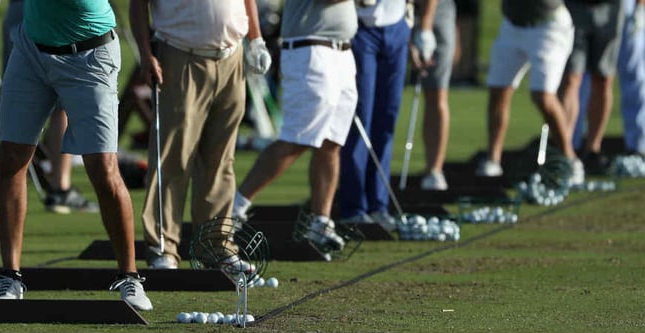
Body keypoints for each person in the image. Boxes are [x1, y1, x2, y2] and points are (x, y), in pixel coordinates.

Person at [0, 0, 152, 311]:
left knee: (103, 169)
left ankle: (130, 276)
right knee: (11, 158)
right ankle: (10, 276)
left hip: (90, 54)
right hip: (31, 51)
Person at [130, 0, 271, 270]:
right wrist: (146, 54)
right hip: (180, 55)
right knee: (172, 157)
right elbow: (138, 5)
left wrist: (256, 41)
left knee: (220, 160)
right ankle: (163, 247)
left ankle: (216, 246)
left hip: (232, 57)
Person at [232, 0, 358, 255]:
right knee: (297, 139)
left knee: (331, 143)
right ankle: (235, 208)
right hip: (310, 51)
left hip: (343, 52)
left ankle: (320, 223)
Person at [338, 0, 437, 227]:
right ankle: (354, 207)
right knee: (360, 120)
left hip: (398, 26)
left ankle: (378, 205)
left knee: (387, 120)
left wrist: (424, 29)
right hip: (360, 26)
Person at [1, 0, 99, 215]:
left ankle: (57, 187)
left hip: (24, 18)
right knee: (60, 108)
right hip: (51, 22)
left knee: (27, 110)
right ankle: (60, 187)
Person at [475, 0, 584, 186]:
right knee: (498, 90)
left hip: (549, 23)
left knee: (543, 96)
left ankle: (570, 159)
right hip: (512, 24)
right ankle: (493, 160)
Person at [574, 0, 645, 157]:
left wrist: (641, 5)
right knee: (578, 78)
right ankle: (571, 144)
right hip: (586, 7)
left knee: (632, 73)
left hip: (627, 6)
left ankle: (638, 142)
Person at [558, 0, 624, 175]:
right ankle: (564, 151)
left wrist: (640, 7)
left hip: (609, 8)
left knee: (603, 78)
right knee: (571, 79)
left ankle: (593, 150)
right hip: (574, 7)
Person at [415, 0, 456, 191]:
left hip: (437, 11)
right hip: (392, 12)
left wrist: (425, 25)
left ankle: (434, 171)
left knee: (436, 94)